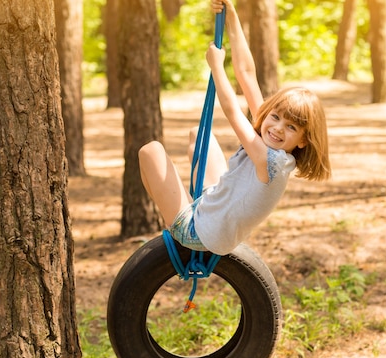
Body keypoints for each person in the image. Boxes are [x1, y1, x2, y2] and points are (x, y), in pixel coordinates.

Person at [139, 0, 330, 256]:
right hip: (213, 212)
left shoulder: (271, 160)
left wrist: (216, 66)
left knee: (150, 151)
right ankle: (184, 204)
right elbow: (246, 73)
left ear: (304, 141)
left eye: (291, 127)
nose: (277, 128)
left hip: (198, 233)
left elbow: (231, 112)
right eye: (276, 117)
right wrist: (232, 16)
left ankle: (173, 218)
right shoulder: (271, 137)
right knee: (199, 136)